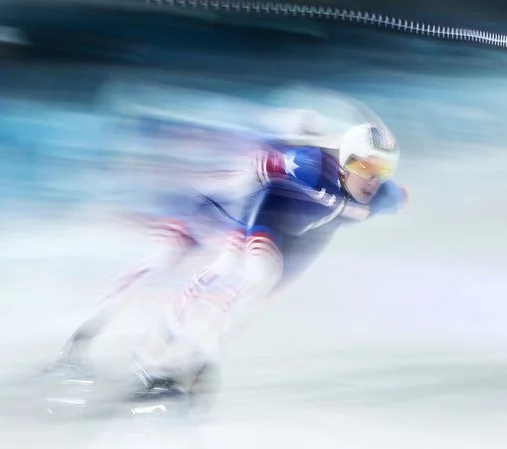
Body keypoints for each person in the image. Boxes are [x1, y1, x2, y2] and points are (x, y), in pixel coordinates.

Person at [127, 119, 409, 403]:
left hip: (302, 241)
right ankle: (157, 344)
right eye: (364, 167)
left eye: (382, 170)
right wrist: (235, 233)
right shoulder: (310, 166)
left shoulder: (385, 196)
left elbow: (402, 197)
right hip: (267, 218)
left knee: (248, 301)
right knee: (244, 276)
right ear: (345, 161)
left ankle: (199, 364)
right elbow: (254, 171)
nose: (372, 179)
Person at [49, 104, 331, 375]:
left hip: (215, 219)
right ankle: (103, 343)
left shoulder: (273, 158)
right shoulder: (278, 159)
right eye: (307, 145)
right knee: (174, 273)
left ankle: (140, 350)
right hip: (207, 217)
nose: (311, 153)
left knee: (185, 278)